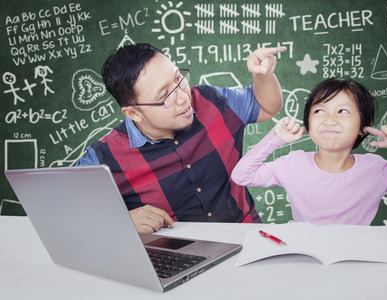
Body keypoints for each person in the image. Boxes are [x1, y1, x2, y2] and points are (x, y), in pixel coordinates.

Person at [77, 43, 287, 233]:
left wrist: (263, 75)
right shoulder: (104, 157)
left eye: (178, 79)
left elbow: (267, 106)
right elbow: (60, 210)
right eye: (165, 96)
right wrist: (121, 220)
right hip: (175, 260)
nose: (183, 97)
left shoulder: (211, 101)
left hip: (247, 235)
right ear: (133, 113)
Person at [231, 77, 387, 225]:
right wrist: (274, 139)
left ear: (365, 125)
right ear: (308, 122)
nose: (329, 119)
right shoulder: (293, 163)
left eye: (342, 111)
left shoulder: (376, 169)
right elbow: (241, 175)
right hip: (307, 256)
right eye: (319, 111)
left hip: (355, 259)